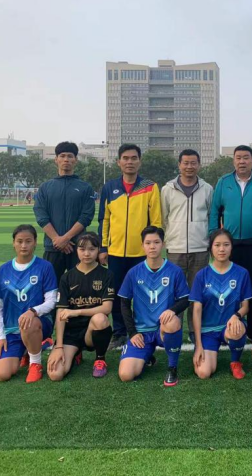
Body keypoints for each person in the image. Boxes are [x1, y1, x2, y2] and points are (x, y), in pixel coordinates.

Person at [98, 143, 162, 351]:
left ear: (139, 161)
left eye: (134, 158)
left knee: (143, 295)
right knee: (118, 294)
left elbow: (156, 222)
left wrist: (153, 247)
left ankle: (143, 330)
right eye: (125, 158)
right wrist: (103, 247)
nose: (129, 162)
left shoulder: (150, 186)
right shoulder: (109, 187)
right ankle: (119, 332)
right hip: (116, 253)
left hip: (142, 254)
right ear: (118, 162)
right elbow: (104, 220)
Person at [209, 145, 252, 340]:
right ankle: (228, 329)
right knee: (229, 287)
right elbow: (215, 211)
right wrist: (214, 237)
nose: (242, 161)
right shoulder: (223, 182)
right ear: (233, 160)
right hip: (230, 245)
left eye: (246, 157)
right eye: (238, 158)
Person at [118, 226, 190, 387]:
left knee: (172, 321)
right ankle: (146, 356)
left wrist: (172, 310)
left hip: (163, 329)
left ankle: (172, 368)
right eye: (148, 243)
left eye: (156, 242)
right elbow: (124, 303)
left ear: (163, 244)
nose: (152, 246)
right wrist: (133, 332)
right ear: (142, 245)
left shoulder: (174, 271)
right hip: (142, 332)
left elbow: (185, 299)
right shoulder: (134, 272)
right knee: (126, 375)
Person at [0, 225, 58, 383]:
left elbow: (51, 301)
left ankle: (35, 363)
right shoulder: (3, 270)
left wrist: (33, 311)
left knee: (28, 323)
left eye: (28, 241)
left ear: (35, 242)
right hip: (12, 331)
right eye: (19, 241)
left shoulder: (45, 267)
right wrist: (0, 337)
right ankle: (29, 349)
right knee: (2, 374)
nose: (23, 245)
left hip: (38, 324)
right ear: (13, 243)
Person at [161, 149, 213, 343]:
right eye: (185, 163)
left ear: (199, 165)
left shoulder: (207, 189)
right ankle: (173, 327)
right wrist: (169, 239)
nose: (189, 167)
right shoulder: (168, 189)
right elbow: (164, 217)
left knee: (197, 293)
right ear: (179, 165)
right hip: (175, 249)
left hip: (200, 249)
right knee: (175, 293)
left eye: (193, 163)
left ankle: (194, 329)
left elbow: (210, 216)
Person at [47, 232, 116, 381]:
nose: (86, 253)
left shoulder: (107, 275)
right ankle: (75, 353)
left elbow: (107, 308)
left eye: (91, 249)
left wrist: (76, 312)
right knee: (55, 374)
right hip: (70, 333)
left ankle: (100, 359)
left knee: (100, 318)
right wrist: (59, 346)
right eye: (82, 249)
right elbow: (61, 312)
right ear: (76, 250)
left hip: (91, 331)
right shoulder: (67, 277)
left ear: (98, 250)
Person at [191, 230, 252, 380]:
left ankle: (235, 362)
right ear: (211, 248)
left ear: (231, 247)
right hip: (208, 331)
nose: (222, 249)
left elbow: (246, 306)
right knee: (204, 373)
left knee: (237, 328)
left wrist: (236, 316)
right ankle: (208, 350)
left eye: (226, 245)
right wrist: (198, 345)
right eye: (217, 245)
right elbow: (197, 311)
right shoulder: (201, 275)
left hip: (229, 326)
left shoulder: (242, 273)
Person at [33, 141, 96, 280]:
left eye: (70, 156)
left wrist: (65, 239)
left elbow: (86, 216)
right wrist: (57, 239)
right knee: (50, 288)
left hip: (78, 248)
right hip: (53, 247)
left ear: (76, 160)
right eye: (62, 156)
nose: (66, 159)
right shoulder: (45, 187)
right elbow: (41, 215)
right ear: (56, 160)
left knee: (80, 288)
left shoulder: (85, 188)